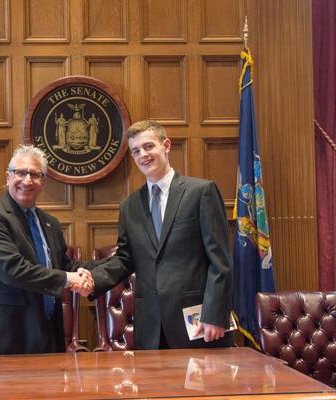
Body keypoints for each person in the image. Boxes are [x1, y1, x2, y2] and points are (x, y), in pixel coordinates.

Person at [87, 120, 233, 349]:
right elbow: (125, 259)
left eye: (148, 146)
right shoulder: (130, 206)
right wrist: (91, 280)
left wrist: (215, 315)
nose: (143, 155)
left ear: (166, 145)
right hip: (151, 327)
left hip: (199, 323)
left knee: (205, 385)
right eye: (136, 151)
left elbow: (220, 261)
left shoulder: (200, 192)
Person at [0, 145, 94, 355]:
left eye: (35, 175)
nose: (27, 180)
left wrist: (93, 272)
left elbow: (63, 266)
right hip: (4, 343)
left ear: (43, 182)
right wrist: (69, 279)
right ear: (8, 177)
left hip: (47, 338)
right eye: (20, 172)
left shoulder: (50, 223)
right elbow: (12, 270)